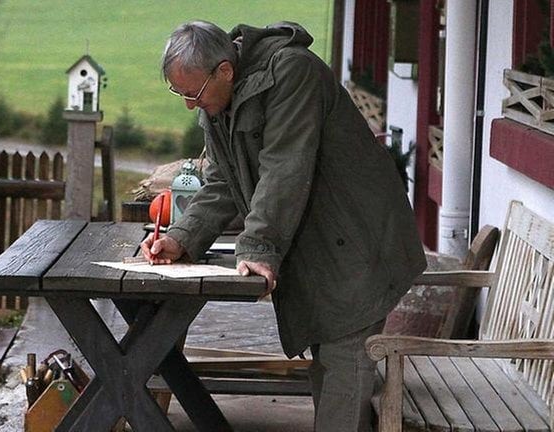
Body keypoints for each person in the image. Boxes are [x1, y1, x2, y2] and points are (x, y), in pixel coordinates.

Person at [140, 21, 427, 431]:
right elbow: (224, 179)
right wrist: (181, 238)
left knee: (344, 367)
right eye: (180, 93)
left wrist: (257, 247)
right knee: (328, 365)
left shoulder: (292, 72)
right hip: (323, 246)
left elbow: (285, 168)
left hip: (360, 241)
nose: (189, 104)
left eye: (193, 92)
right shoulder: (217, 102)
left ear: (224, 70)